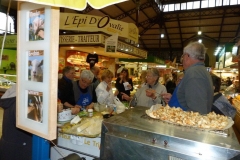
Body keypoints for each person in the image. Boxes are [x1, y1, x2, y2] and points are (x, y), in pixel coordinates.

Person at [161, 41, 213, 114]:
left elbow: (197, 112)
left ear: (187, 56)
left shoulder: (194, 74)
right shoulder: (199, 71)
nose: (182, 60)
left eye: (183, 56)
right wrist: (174, 99)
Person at [0, 84, 33, 160]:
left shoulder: (12, 98)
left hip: (8, 145)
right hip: (20, 148)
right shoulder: (22, 101)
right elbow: (28, 126)